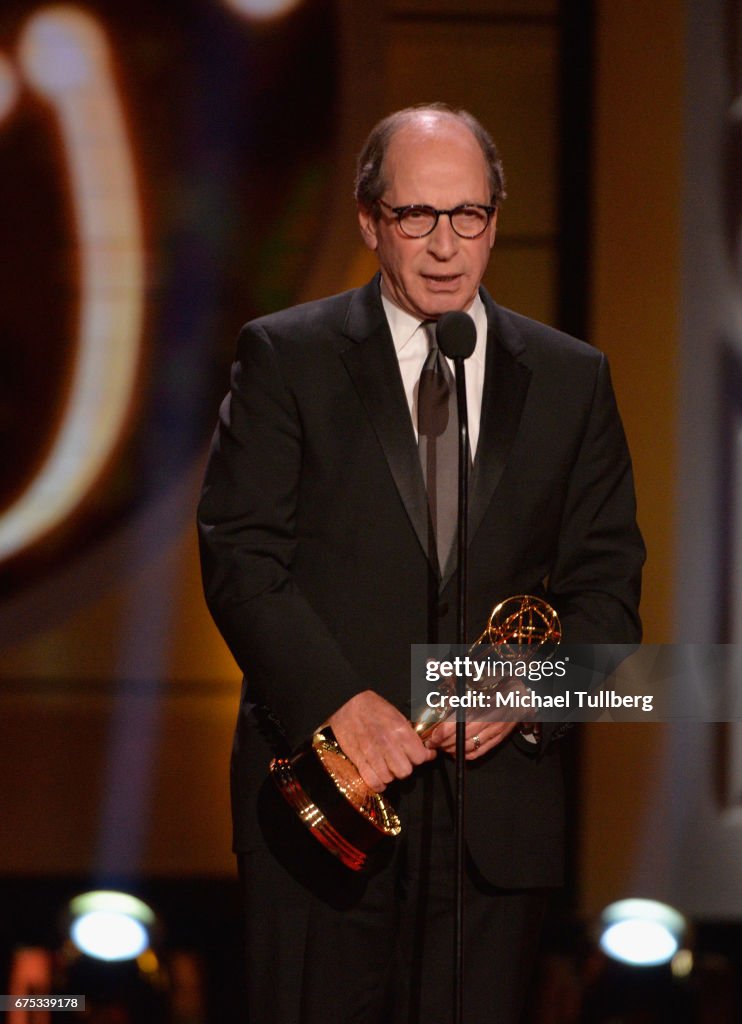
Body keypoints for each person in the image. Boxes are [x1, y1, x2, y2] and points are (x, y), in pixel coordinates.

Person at [198, 103, 644, 1024]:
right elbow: (241, 557)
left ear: (493, 219)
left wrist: (525, 687)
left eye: (467, 215)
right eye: (416, 217)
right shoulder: (288, 356)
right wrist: (339, 704)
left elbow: (607, 592)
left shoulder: (570, 379)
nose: (445, 246)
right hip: (324, 804)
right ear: (370, 222)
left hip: (495, 828)